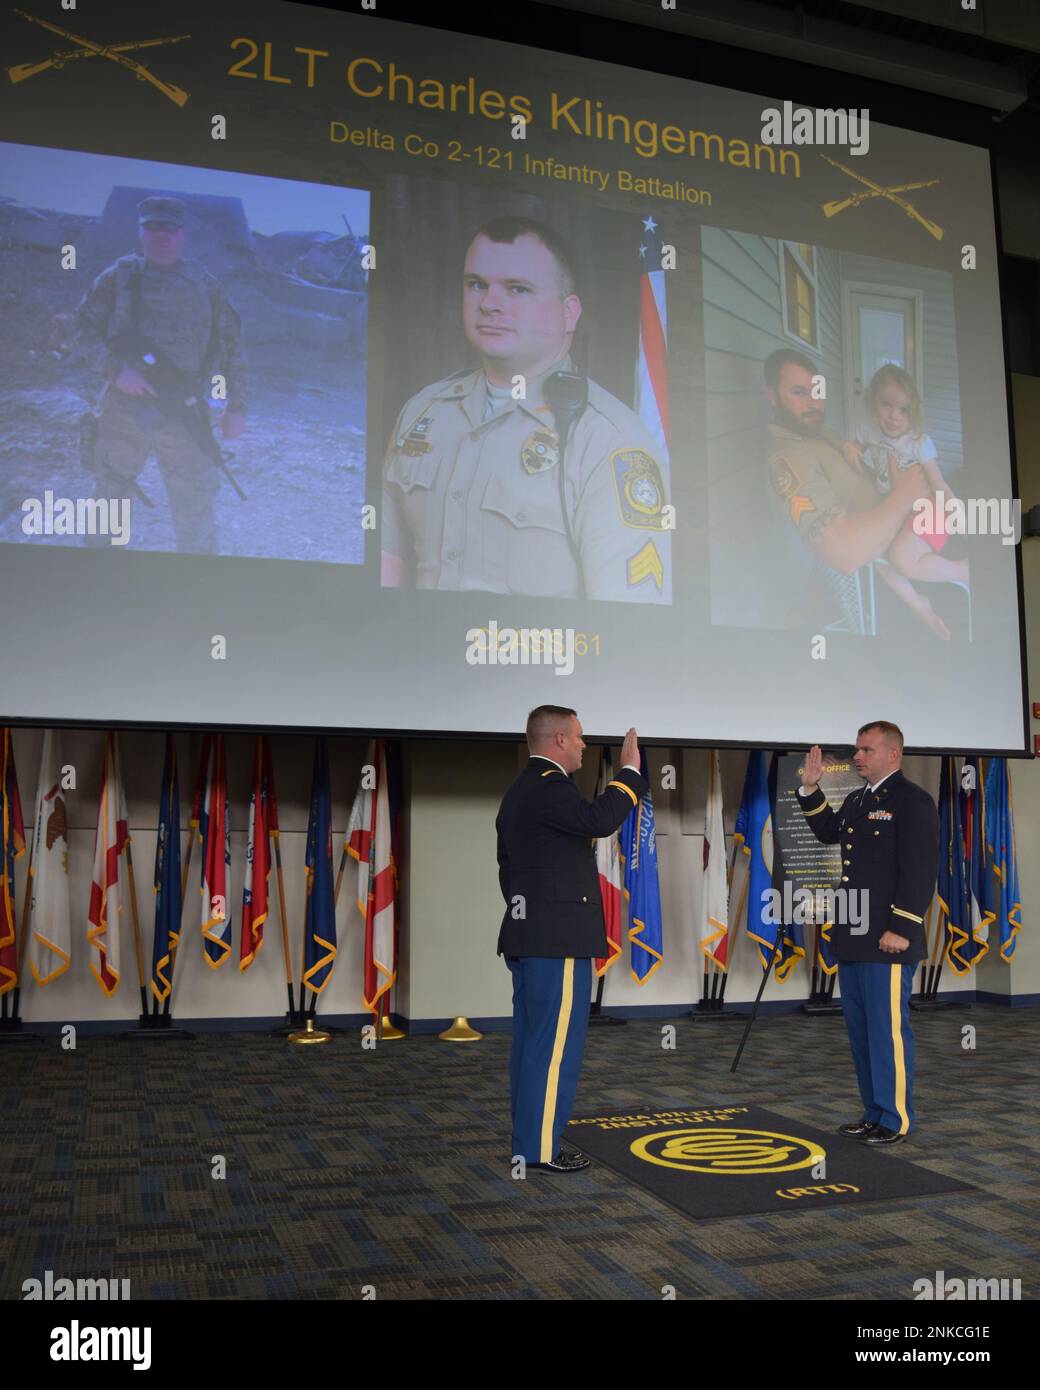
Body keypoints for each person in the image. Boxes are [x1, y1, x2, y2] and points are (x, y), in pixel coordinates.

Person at [381, 216, 671, 601]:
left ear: (570, 312)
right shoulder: (423, 412)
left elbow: (626, 627)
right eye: (476, 285)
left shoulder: (610, 440)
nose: (489, 304)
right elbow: (386, 566)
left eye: (518, 289)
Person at [496, 707, 647, 1171]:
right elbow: (599, 819)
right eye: (579, 737)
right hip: (556, 942)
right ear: (559, 738)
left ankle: (530, 1142)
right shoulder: (550, 786)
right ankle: (540, 1150)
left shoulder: (520, 791)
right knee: (553, 1050)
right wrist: (630, 773)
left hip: (531, 936)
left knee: (532, 1046)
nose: (584, 745)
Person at [75, 195, 247, 554]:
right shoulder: (118, 278)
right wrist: (116, 371)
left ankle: (193, 593)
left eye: (169, 229)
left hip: (185, 410)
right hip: (124, 406)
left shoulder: (206, 285)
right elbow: (82, 331)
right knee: (109, 496)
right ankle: (93, 581)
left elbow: (232, 348)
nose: (161, 236)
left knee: (195, 507)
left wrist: (237, 407)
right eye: (152, 228)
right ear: (141, 232)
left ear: (183, 234)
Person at [796, 722, 938, 1145]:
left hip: (888, 938)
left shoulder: (912, 801)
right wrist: (809, 790)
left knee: (887, 1030)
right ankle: (873, 1112)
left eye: (866, 750)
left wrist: (902, 928)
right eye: (857, 750)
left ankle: (894, 1119)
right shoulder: (859, 798)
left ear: (892, 754)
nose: (857, 756)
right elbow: (829, 833)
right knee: (861, 1032)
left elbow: (920, 870)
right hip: (854, 935)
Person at [764, 349, 927, 580]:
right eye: (799, 392)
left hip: (903, 524)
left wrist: (849, 448)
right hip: (884, 568)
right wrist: (906, 494)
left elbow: (847, 450)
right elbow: (844, 554)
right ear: (772, 397)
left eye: (818, 392)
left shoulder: (813, 430)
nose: (814, 403)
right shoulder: (788, 459)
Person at [841, 364, 969, 640]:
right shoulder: (870, 431)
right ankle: (919, 606)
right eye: (885, 404)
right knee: (873, 551)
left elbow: (938, 484)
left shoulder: (918, 443)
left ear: (913, 412)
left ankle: (963, 570)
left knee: (900, 558)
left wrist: (958, 515)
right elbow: (860, 443)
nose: (893, 416)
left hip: (929, 511)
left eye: (903, 409)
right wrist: (853, 448)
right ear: (873, 403)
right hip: (900, 509)